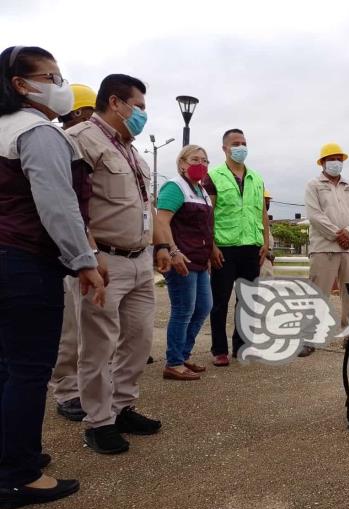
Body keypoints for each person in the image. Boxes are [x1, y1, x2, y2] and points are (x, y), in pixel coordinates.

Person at [0, 45, 105, 509]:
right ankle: (18, 476)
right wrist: (83, 260)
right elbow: (56, 205)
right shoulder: (36, 131)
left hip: (5, 257)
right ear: (21, 85)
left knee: (6, 368)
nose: (60, 85)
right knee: (27, 371)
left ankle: (12, 456)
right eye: (51, 76)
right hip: (25, 262)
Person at [67, 73, 160, 455]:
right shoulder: (80, 140)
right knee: (98, 346)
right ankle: (99, 421)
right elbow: (71, 203)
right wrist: (90, 254)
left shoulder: (131, 149)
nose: (142, 114)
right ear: (116, 102)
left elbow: (140, 205)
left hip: (140, 260)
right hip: (104, 260)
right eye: (138, 106)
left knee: (138, 341)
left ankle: (122, 407)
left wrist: (161, 248)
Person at [50, 82, 98, 422]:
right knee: (70, 330)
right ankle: (67, 390)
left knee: (88, 328)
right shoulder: (66, 143)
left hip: (90, 247)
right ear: (80, 113)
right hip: (70, 250)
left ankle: (84, 386)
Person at [203, 129, 269, 366]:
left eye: (243, 143)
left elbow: (261, 212)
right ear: (224, 148)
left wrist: (266, 242)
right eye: (235, 144)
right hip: (224, 247)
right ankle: (219, 349)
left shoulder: (257, 178)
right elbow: (207, 214)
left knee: (247, 300)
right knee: (220, 300)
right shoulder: (213, 176)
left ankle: (242, 346)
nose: (240, 147)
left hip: (251, 247)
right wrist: (211, 247)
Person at [153, 145, 214, 381]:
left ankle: (183, 354)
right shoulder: (175, 187)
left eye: (205, 160)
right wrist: (172, 250)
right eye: (194, 159)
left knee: (203, 307)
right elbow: (162, 221)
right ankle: (174, 362)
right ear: (182, 164)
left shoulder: (202, 191)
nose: (201, 164)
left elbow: (204, 227)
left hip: (198, 261)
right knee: (183, 310)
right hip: (181, 259)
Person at [300, 143, 349, 357]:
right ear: (323, 162)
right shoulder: (314, 185)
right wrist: (338, 234)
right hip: (324, 246)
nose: (337, 162)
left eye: (340, 159)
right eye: (332, 158)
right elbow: (315, 215)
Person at [260, 190, 275, 278]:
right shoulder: (257, 217)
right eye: (266, 200)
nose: (267, 203)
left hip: (267, 257)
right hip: (262, 258)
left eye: (268, 201)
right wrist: (268, 254)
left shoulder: (264, 218)